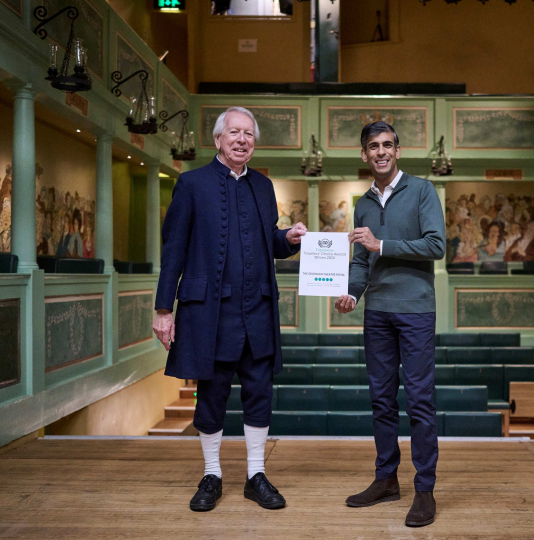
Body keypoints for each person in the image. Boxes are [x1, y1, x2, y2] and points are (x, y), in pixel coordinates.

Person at [152, 107, 307, 513]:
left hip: (257, 308)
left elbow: (268, 241)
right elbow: (173, 253)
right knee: (212, 396)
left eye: (249, 135)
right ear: (219, 139)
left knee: (259, 394)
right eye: (234, 133)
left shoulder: (263, 185)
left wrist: (288, 238)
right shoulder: (191, 184)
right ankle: (212, 474)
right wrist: (163, 309)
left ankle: (256, 474)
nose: (242, 140)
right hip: (209, 313)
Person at [335, 121, 445, 528]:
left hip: (415, 310)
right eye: (372, 146)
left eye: (387, 145)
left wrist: (382, 244)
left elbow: (436, 245)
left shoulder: (422, 190)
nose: (380, 151)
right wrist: (352, 293)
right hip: (377, 311)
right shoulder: (363, 203)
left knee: (419, 402)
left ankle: (424, 490)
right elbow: (362, 262)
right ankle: (386, 480)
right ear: (364, 155)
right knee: (381, 400)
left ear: (398, 151)